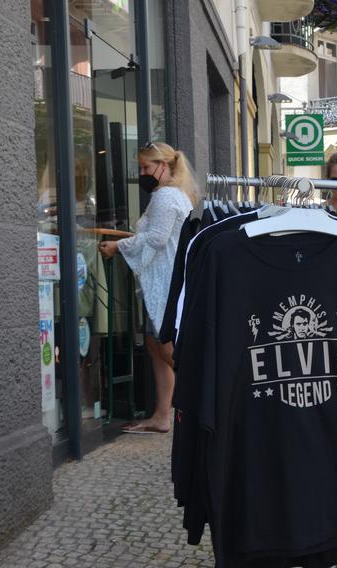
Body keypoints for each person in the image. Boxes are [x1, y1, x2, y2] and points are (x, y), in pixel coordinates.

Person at [99, 141, 197, 434]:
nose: (142, 172)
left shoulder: (165, 197)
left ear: (164, 166)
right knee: (156, 348)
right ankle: (162, 415)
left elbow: (156, 239)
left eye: (146, 167)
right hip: (168, 280)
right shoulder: (177, 195)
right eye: (140, 167)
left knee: (166, 349)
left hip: (164, 284)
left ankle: (197, 400)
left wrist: (118, 246)